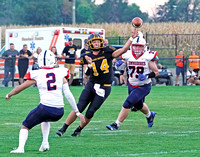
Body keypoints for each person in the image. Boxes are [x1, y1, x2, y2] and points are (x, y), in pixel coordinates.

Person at [56, 29, 138, 137]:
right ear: (90, 43)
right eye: (94, 42)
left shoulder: (107, 51)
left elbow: (122, 50)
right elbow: (86, 74)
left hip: (104, 87)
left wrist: (131, 38)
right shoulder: (86, 56)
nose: (96, 43)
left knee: (90, 112)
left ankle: (79, 129)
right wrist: (89, 65)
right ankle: (63, 128)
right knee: (79, 107)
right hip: (91, 84)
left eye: (98, 41)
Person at [5, 50, 85, 153]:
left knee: (25, 126)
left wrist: (9, 94)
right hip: (59, 111)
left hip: (45, 108)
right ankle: (44, 143)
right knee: (45, 119)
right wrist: (77, 112)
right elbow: (68, 95)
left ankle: (20, 148)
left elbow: (20, 88)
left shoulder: (37, 74)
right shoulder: (61, 72)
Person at [106, 36, 159, 130]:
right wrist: (119, 63)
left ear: (144, 47)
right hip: (131, 84)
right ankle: (150, 115)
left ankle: (116, 124)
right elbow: (123, 62)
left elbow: (156, 72)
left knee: (128, 103)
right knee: (139, 105)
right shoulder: (128, 54)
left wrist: (146, 76)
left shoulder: (148, 56)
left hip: (144, 85)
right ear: (132, 46)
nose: (137, 48)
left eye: (140, 46)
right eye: (135, 46)